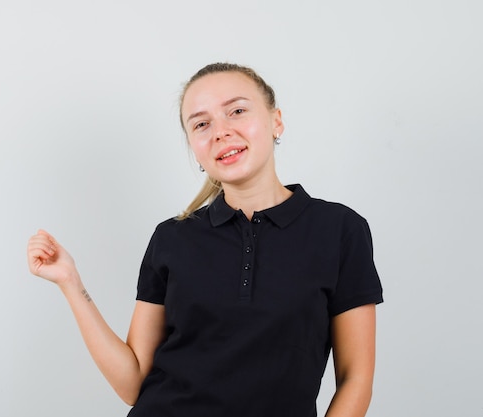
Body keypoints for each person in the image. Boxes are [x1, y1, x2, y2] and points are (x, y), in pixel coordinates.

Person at [27, 62, 383, 417]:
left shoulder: (339, 230)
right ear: (194, 148)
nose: (221, 132)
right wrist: (71, 283)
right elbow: (132, 382)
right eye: (201, 124)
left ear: (276, 121)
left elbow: (356, 378)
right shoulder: (172, 238)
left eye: (237, 111)